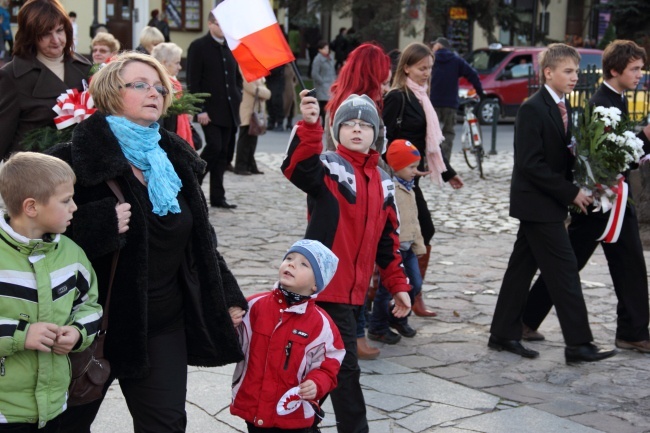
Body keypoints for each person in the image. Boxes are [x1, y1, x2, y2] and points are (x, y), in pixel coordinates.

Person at [47, 51, 248, 433]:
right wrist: (97, 224)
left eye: (159, 86)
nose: (153, 92)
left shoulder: (174, 157)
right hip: (91, 325)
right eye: (140, 85)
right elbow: (30, 231)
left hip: (160, 324)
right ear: (110, 92)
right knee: (64, 427)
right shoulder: (72, 159)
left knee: (166, 425)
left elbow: (200, 241)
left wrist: (227, 294)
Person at [282, 92, 412, 433]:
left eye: (365, 125)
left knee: (321, 370)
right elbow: (296, 167)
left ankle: (287, 420)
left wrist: (398, 286)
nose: (357, 130)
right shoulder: (327, 167)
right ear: (336, 130)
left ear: (377, 133)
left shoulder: (385, 181)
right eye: (349, 124)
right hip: (324, 290)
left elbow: (389, 242)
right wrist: (309, 127)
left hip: (354, 297)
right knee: (344, 370)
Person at [488, 43, 616, 364]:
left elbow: (562, 157)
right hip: (538, 205)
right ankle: (579, 344)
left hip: (546, 204)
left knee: (519, 270)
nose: (575, 77)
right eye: (568, 71)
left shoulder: (563, 106)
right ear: (548, 72)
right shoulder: (533, 108)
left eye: (575, 71)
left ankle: (503, 333)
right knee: (565, 272)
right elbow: (531, 164)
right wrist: (570, 193)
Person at [523, 40, 650, 353]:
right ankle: (525, 319)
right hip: (599, 202)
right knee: (565, 266)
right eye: (634, 69)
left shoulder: (617, 99)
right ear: (614, 70)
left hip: (617, 201)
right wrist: (644, 139)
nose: (639, 75)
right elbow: (609, 157)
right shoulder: (601, 102)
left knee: (631, 265)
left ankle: (633, 331)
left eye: (641, 69)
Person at [0, 151, 103, 432]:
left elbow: (90, 305)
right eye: (66, 200)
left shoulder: (72, 254)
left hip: (55, 405)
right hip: (5, 411)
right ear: (31, 207)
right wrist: (21, 334)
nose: (75, 208)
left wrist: (79, 332)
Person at [383, 42, 464, 318]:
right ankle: (398, 293)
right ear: (406, 67)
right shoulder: (398, 97)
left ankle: (410, 294)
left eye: (430, 67)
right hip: (397, 181)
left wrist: (448, 172)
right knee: (410, 234)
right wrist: (401, 166)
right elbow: (385, 141)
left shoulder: (421, 97)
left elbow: (430, 143)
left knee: (418, 234)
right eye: (421, 68)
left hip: (412, 180)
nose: (427, 73)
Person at [230, 239, 345, 432]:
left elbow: (330, 361)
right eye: (289, 258)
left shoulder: (321, 324)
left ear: (316, 284)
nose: (291, 263)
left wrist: (317, 383)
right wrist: (230, 325)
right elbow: (231, 343)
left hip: (293, 411)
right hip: (254, 405)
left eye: (304, 264)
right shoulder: (254, 306)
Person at [323, 42, 392, 360]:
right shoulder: (353, 106)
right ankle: (352, 334)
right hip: (349, 188)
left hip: (362, 184)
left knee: (358, 261)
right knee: (352, 262)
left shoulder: (355, 101)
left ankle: (351, 332)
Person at [0, 0, 92, 160]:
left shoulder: (84, 67)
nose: (56, 40)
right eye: (45, 34)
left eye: (59, 30)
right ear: (30, 36)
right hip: (33, 173)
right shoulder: (12, 76)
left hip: (80, 170)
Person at [368, 139, 429, 344]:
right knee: (386, 290)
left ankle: (398, 317)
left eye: (416, 166)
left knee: (414, 283)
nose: (415, 171)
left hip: (408, 248)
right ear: (396, 166)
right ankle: (377, 327)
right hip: (393, 249)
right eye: (411, 167)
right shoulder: (390, 189)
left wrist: (418, 244)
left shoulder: (409, 189)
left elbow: (414, 219)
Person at [186, 12, 242, 208]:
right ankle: (194, 181)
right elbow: (193, 80)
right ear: (210, 24)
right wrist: (199, 109)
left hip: (229, 109)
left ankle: (218, 197)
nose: (222, 28)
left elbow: (236, 78)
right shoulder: (199, 46)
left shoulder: (230, 47)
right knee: (214, 147)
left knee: (223, 154)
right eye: (219, 24)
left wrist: (238, 95)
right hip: (209, 111)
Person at [429, 37, 485, 161]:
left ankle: (430, 161)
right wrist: (480, 92)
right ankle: (445, 161)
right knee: (448, 132)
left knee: (430, 133)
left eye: (434, 45)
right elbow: (473, 74)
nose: (432, 48)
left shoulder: (431, 59)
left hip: (432, 103)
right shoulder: (456, 60)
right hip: (450, 103)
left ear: (438, 46)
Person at [152, 42, 195, 149]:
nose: (180, 67)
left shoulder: (173, 83)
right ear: (164, 63)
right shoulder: (162, 85)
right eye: (177, 63)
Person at [234, 71, 271, 175]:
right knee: (245, 139)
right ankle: (241, 166)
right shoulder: (244, 71)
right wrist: (265, 92)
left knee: (252, 140)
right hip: (248, 110)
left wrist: (263, 91)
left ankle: (251, 164)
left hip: (255, 110)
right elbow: (253, 89)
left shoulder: (256, 72)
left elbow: (264, 90)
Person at [311, 40, 336, 127]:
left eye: (327, 48)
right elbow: (314, 73)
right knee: (323, 105)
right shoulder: (318, 59)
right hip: (322, 86)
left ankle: (325, 123)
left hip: (330, 84)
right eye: (325, 48)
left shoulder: (330, 58)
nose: (327, 50)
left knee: (328, 105)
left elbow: (332, 71)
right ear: (319, 49)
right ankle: (322, 123)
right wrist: (321, 82)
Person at [266, 65, 285, 131]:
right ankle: (271, 120)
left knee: (276, 101)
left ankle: (279, 122)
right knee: (269, 101)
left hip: (277, 79)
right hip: (269, 79)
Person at [282, 63, 297, 130]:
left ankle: (289, 122)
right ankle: (281, 121)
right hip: (284, 89)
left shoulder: (292, 66)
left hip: (291, 88)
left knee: (292, 105)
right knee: (285, 104)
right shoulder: (282, 67)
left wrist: (294, 84)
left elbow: (295, 78)